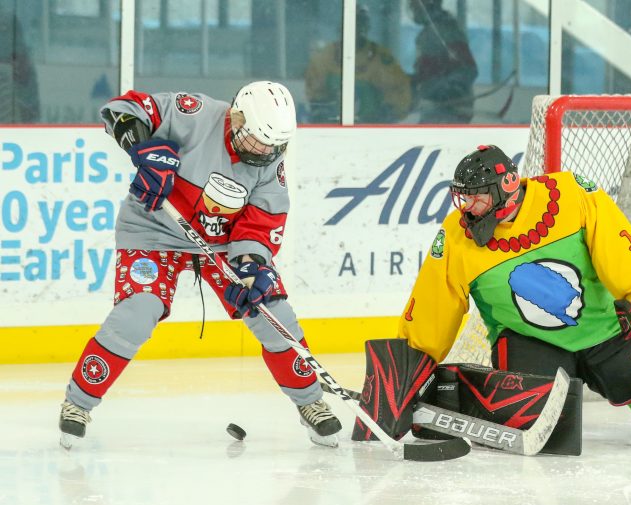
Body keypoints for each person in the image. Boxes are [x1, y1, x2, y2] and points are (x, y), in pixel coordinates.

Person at [352, 144, 631, 453]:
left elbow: (623, 253)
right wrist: (405, 369)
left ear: (508, 185)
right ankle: (464, 397)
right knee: (541, 432)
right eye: (463, 199)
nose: (467, 208)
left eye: (477, 198)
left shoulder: (570, 195)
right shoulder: (455, 236)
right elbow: (435, 304)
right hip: (530, 344)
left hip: (604, 333)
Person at [58, 81, 343, 449]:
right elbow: (122, 109)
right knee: (138, 311)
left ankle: (311, 402)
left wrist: (254, 267)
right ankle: (78, 403)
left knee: (273, 312)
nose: (265, 150)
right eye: (258, 139)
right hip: (153, 227)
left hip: (223, 244)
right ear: (236, 117)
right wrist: (142, 147)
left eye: (275, 144)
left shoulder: (271, 164)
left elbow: (259, 228)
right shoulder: (193, 113)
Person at [305, 6, 411, 123]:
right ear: (340, 27)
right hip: (334, 130)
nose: (354, 29)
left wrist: (382, 116)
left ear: (366, 27)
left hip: (374, 133)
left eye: (359, 24)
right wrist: (323, 113)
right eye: (350, 24)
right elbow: (315, 95)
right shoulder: (325, 57)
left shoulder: (381, 58)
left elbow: (400, 93)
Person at [408, 0, 478, 123]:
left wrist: (450, 90)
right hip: (434, 108)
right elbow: (428, 71)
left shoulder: (446, 30)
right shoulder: (429, 33)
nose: (413, 11)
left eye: (415, 6)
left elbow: (467, 68)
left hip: (449, 112)